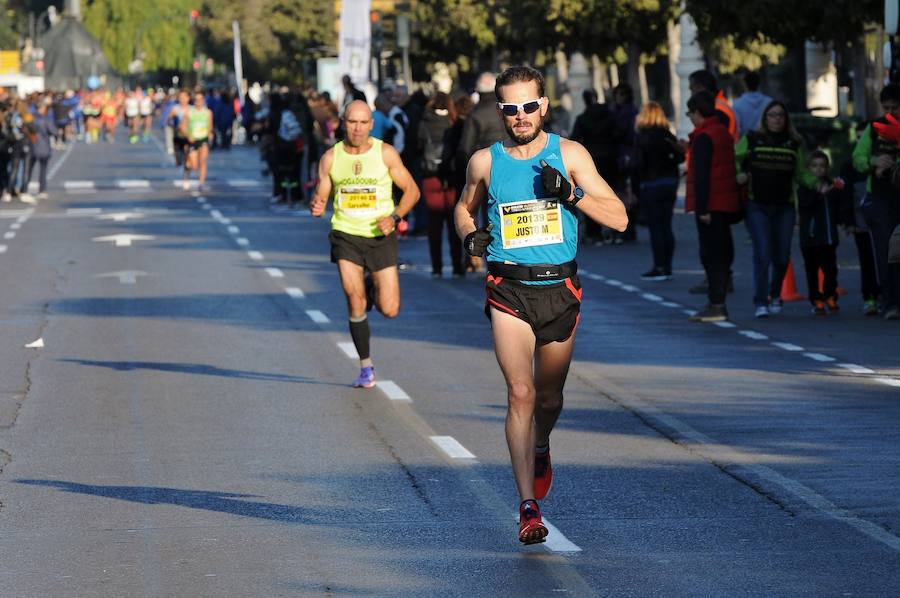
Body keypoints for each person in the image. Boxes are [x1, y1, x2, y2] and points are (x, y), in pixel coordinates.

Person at [454, 66, 627, 545]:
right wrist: (471, 237)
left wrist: (571, 194)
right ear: (500, 112)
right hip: (508, 289)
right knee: (522, 394)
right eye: (510, 108)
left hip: (559, 291)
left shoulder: (569, 154)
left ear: (544, 106)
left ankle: (542, 443)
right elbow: (463, 208)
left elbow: (619, 217)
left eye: (529, 106)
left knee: (549, 398)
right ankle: (528, 507)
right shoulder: (485, 162)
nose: (521, 116)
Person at [310, 100, 420, 387]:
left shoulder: (385, 153)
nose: (357, 128)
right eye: (351, 122)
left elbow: (412, 191)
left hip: (380, 236)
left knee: (390, 308)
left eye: (363, 123)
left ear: (371, 124)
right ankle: (365, 366)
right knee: (353, 298)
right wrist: (319, 204)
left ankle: (371, 285)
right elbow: (323, 191)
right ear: (342, 123)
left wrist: (395, 216)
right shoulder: (331, 158)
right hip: (345, 233)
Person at [735, 100, 819, 318]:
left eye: (781, 115)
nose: (777, 119)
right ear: (765, 118)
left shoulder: (794, 143)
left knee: (781, 256)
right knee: (762, 252)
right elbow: (733, 159)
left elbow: (802, 174)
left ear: (786, 119)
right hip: (757, 206)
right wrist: (739, 175)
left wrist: (820, 182)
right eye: (772, 115)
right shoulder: (753, 139)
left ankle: (775, 294)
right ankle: (761, 301)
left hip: (785, 207)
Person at [684, 91, 742, 322]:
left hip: (711, 204)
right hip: (725, 201)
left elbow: (702, 176)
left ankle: (716, 303)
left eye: (690, 112)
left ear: (697, 113)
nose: (689, 117)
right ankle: (718, 298)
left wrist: (703, 209)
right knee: (723, 250)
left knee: (711, 254)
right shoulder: (722, 133)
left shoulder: (704, 137)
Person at [852, 83, 900, 320]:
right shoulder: (874, 129)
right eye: (887, 107)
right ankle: (890, 301)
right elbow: (858, 158)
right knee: (887, 251)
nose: (891, 112)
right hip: (881, 198)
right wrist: (874, 161)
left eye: (896, 108)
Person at [632, 101, 684, 280]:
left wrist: (636, 187)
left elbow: (638, 165)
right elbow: (679, 157)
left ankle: (659, 266)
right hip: (669, 182)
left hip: (651, 184)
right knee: (666, 225)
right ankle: (667, 266)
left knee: (656, 228)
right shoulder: (667, 134)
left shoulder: (642, 137)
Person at [569, 89, 624, 245]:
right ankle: (615, 230)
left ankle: (595, 233)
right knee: (612, 193)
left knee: (590, 195)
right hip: (610, 158)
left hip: (591, 158)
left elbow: (574, 138)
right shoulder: (610, 116)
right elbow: (620, 134)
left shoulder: (583, 118)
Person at [417, 92, 462, 277]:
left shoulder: (424, 123)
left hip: (430, 177)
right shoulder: (454, 122)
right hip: (450, 179)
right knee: (454, 223)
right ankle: (457, 267)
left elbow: (419, 146)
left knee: (434, 224)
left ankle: (437, 268)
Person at [798, 151, 842, 315]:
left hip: (829, 238)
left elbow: (839, 206)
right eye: (814, 166)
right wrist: (818, 194)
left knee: (831, 269)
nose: (819, 170)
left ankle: (831, 295)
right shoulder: (805, 186)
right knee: (812, 270)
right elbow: (804, 205)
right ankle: (816, 299)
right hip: (810, 238)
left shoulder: (831, 185)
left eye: (822, 166)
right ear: (808, 168)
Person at [21, 102, 57, 200]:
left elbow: (24, 130)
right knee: (43, 170)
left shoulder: (30, 118)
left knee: (28, 170)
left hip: (31, 146)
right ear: (42, 108)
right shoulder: (46, 119)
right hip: (44, 147)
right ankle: (42, 190)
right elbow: (54, 131)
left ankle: (24, 189)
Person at [181, 90, 214, 191]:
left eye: (200, 99)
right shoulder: (189, 112)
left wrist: (210, 133)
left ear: (203, 100)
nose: (198, 102)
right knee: (194, 165)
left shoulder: (208, 112)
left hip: (203, 139)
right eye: (196, 100)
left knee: (203, 162)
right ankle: (187, 174)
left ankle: (201, 183)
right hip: (192, 140)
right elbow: (183, 126)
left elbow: (210, 126)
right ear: (194, 101)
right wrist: (188, 135)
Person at [732, 71, 772, 136]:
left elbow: (737, 129)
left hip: (746, 143)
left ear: (744, 84)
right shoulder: (769, 102)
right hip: (767, 142)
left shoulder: (737, 104)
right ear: (759, 83)